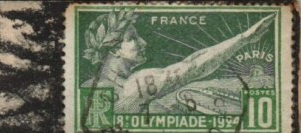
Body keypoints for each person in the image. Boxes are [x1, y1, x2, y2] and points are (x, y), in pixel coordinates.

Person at [83, 11, 275, 113]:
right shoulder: (133, 84)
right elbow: (193, 67)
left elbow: (191, 61)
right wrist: (243, 39)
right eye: (133, 38)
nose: (143, 42)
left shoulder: (92, 85)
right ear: (114, 49)